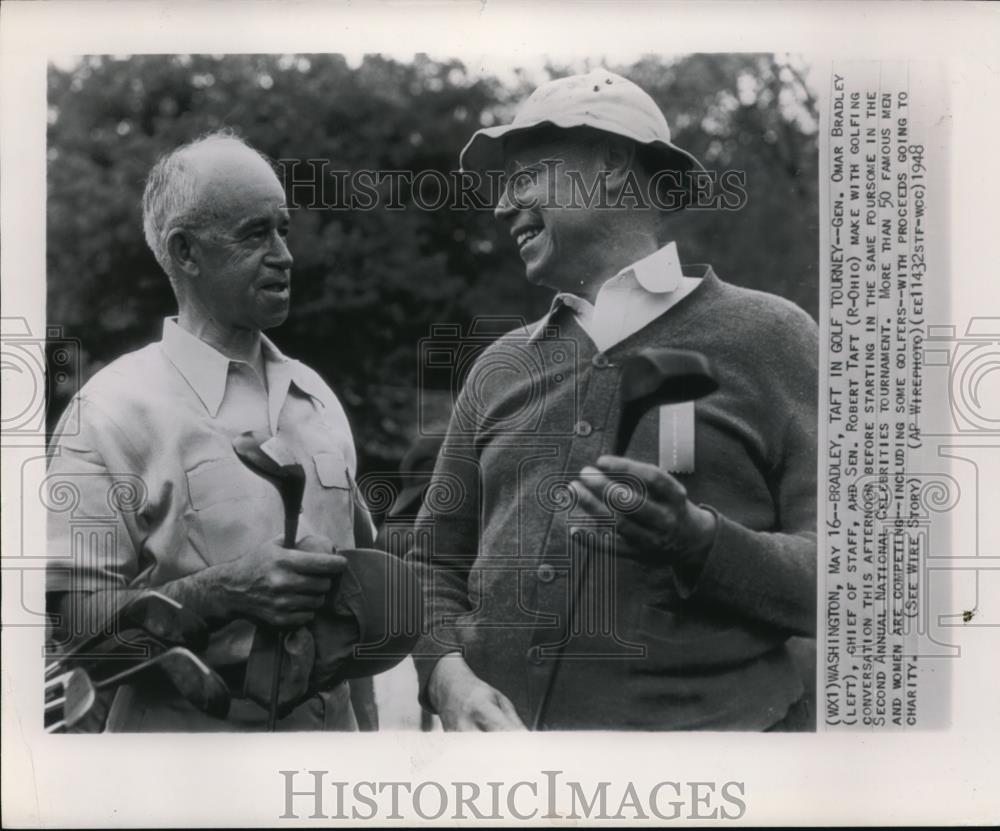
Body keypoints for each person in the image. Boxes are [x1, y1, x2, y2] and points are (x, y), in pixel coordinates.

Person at [408, 70, 818, 731]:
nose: (501, 204)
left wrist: (701, 542)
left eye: (524, 177)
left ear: (611, 165)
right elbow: (429, 561)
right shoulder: (497, 365)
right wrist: (446, 678)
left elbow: (856, 578)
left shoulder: (773, 336)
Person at [46, 131, 406, 731]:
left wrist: (365, 748)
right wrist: (220, 593)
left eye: (283, 230)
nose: (284, 255)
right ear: (185, 251)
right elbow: (75, 632)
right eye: (254, 234)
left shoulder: (315, 397)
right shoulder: (107, 412)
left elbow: (353, 613)